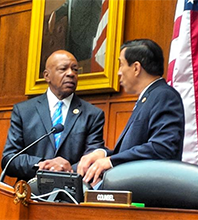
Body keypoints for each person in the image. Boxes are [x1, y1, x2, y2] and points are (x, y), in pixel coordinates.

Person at [77, 39, 185, 185]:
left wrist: (111, 161)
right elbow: (133, 151)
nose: (118, 72)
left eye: (121, 64)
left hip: (149, 193)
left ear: (136, 68)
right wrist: (102, 154)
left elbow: (162, 148)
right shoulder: (149, 97)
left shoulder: (164, 95)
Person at [1, 50, 105, 182]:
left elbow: (93, 157)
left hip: (72, 195)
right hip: (28, 193)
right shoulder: (24, 111)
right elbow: (9, 159)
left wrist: (64, 170)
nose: (71, 74)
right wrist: (43, 165)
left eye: (75, 70)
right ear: (47, 76)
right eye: (63, 69)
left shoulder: (92, 114)